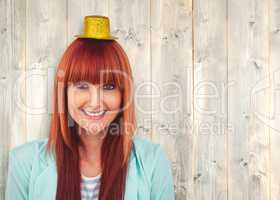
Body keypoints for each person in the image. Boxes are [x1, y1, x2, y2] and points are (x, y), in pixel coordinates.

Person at [5, 16, 175, 200]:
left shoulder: (152, 162)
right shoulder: (24, 163)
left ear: (123, 95)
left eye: (108, 87)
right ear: (63, 93)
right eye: (82, 86)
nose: (95, 103)